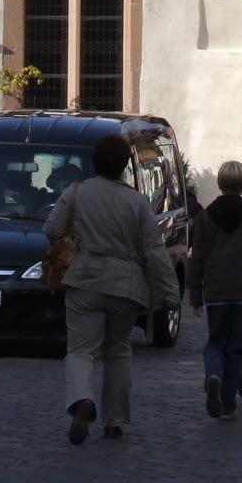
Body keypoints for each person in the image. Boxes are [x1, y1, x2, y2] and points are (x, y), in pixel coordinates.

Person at [44, 132, 178, 444]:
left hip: (85, 279)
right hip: (126, 285)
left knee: (81, 350)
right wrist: (170, 293)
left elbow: (51, 228)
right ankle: (114, 420)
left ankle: (82, 399)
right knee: (118, 352)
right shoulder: (137, 202)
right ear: (124, 165)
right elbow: (154, 251)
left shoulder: (76, 193)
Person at [188, 159, 242, 421]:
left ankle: (214, 375)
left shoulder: (204, 217)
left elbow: (197, 257)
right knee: (236, 346)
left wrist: (195, 293)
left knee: (216, 341)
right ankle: (228, 404)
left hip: (215, 289)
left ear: (220, 183)